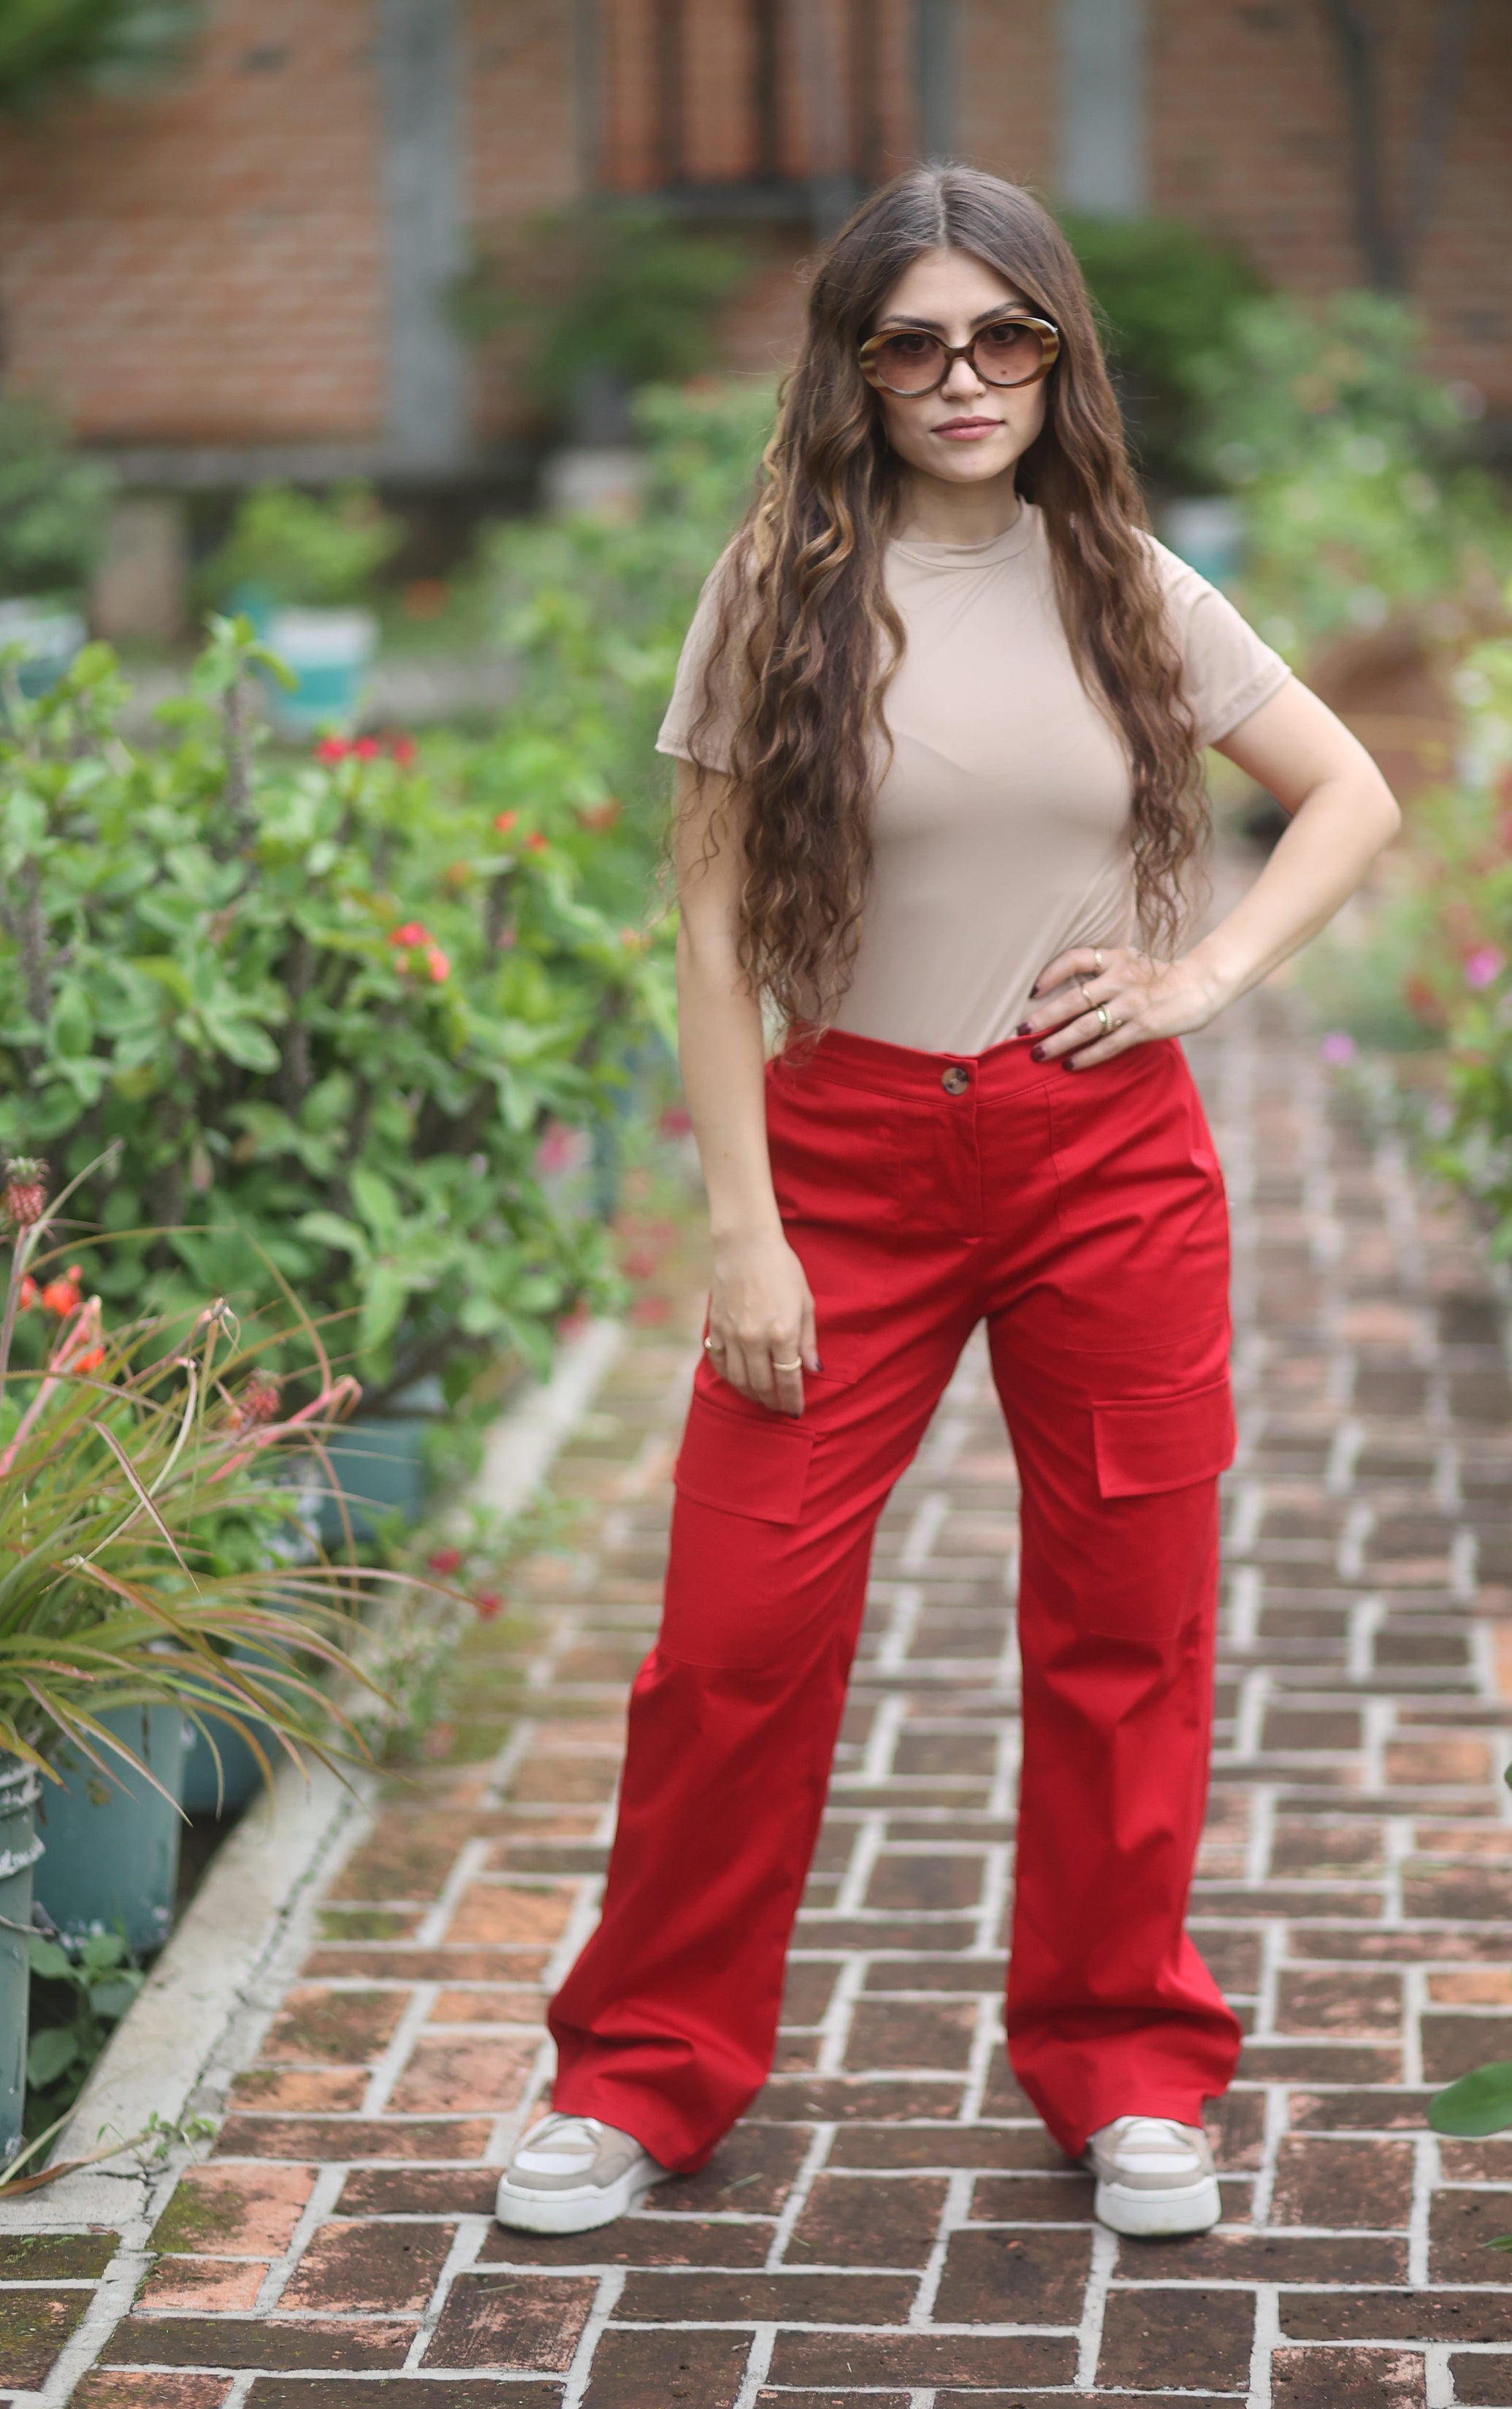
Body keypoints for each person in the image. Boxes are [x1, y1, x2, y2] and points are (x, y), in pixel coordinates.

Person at [495, 163, 1399, 2244]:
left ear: (1059, 355)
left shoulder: (1134, 587)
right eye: (914, 344)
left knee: (1127, 1628)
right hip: (844, 1162)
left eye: (1006, 335)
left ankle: (1127, 2062)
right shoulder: (776, 590)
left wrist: (1204, 977)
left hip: (1108, 1163)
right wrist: (744, 1234)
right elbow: (709, 937)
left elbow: (1350, 793)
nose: (964, 377)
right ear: (858, 369)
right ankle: (640, 2073)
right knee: (732, 1641)